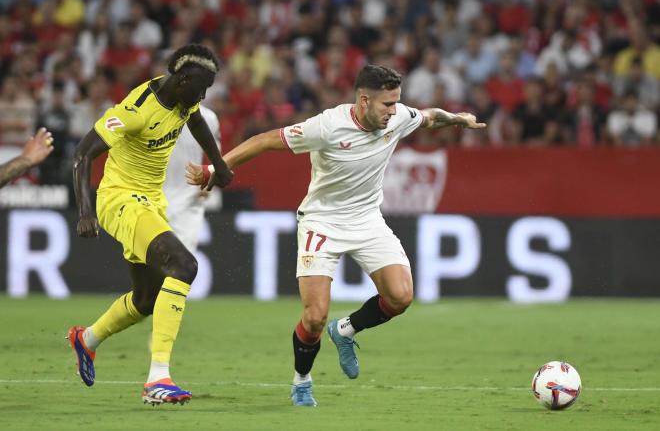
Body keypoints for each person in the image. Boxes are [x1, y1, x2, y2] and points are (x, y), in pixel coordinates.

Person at [186, 64, 485, 406]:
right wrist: (216, 167)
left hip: (368, 221)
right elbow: (265, 140)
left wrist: (458, 118)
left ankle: (346, 331)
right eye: (387, 104)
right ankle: (301, 381)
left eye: (396, 103)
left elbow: (429, 117)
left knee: (401, 297)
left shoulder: (399, 116)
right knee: (314, 317)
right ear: (363, 100)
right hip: (322, 222)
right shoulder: (327, 126)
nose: (394, 111)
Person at [68, 44, 233, 406]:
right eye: (201, 89)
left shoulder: (183, 97)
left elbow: (196, 119)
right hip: (120, 200)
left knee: (146, 299)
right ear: (184, 79)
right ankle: (158, 378)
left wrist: (218, 164)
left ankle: (87, 339)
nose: (203, 97)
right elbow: (82, 155)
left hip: (151, 202)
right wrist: (85, 211)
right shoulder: (136, 110)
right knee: (185, 265)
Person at [164, 104, 220, 254]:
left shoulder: (209, 118)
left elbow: (217, 158)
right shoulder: (151, 112)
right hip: (153, 196)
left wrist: (210, 181)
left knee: (183, 259)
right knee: (151, 264)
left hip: (189, 198)